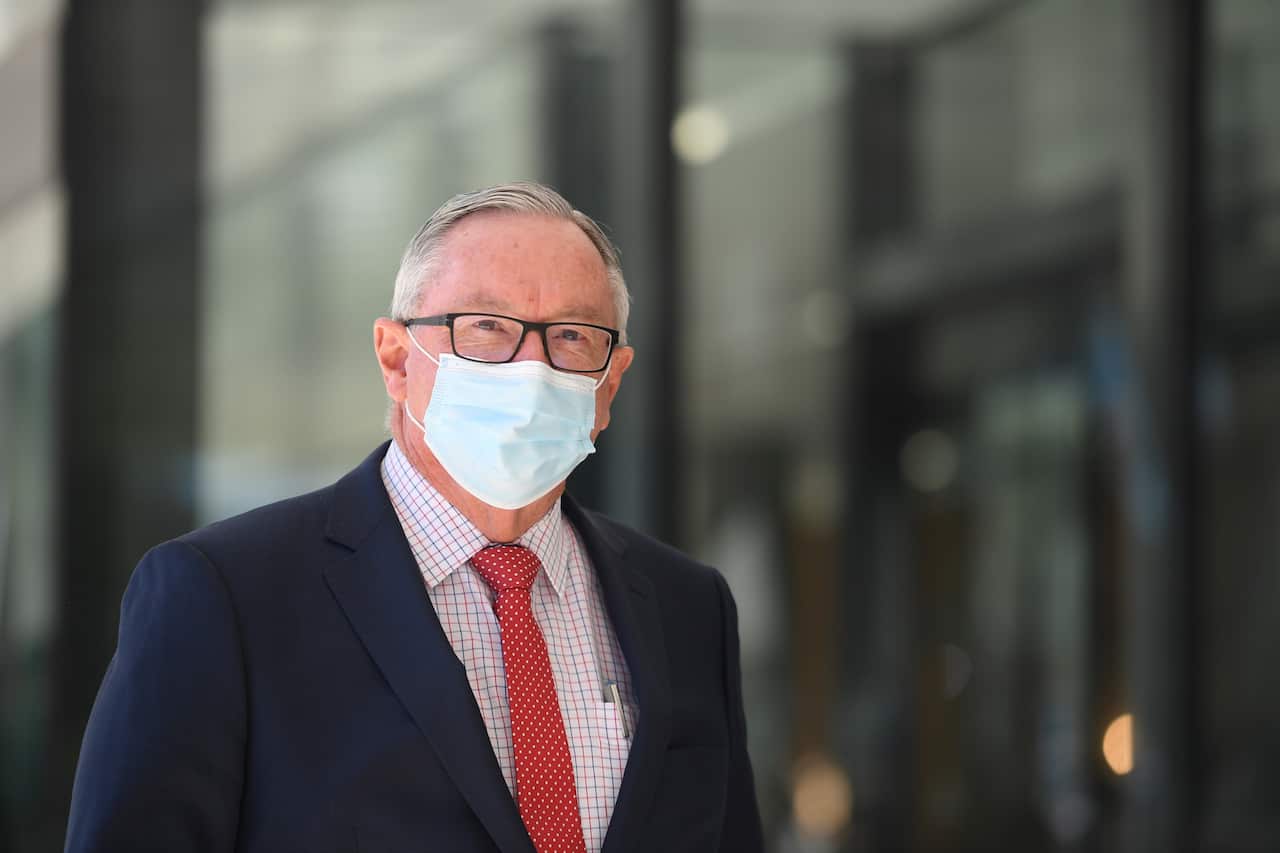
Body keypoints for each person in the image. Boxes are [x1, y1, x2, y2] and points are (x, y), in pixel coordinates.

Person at [65, 181, 764, 853]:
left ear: (608, 386)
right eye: (486, 327)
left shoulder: (688, 608)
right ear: (397, 358)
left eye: (573, 337)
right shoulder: (224, 597)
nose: (531, 368)